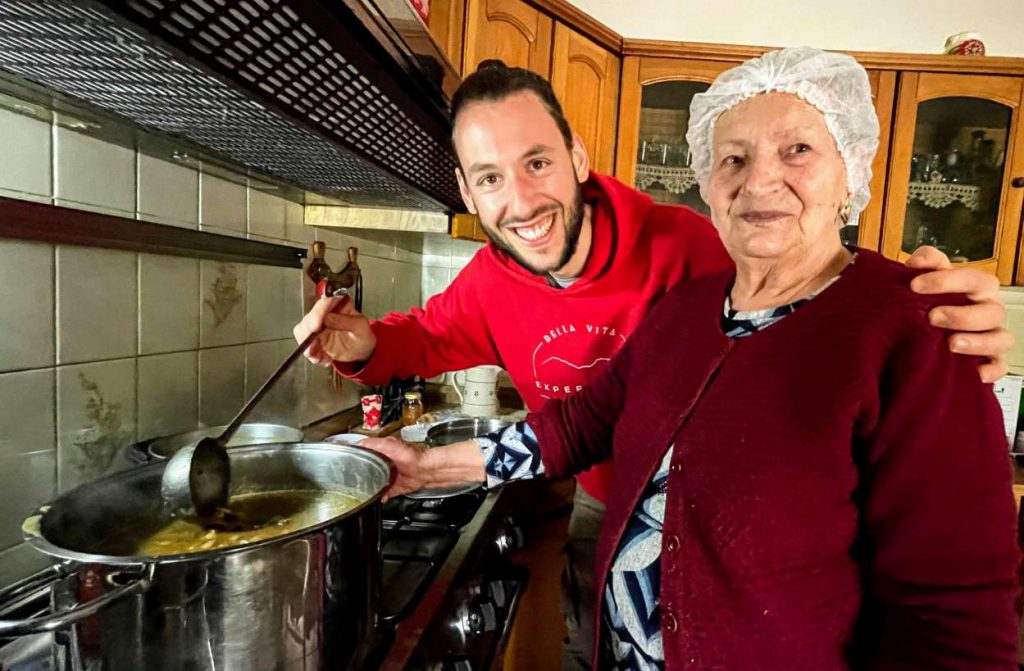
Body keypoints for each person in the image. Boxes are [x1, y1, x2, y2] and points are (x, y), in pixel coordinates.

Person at [294, 60, 1014, 669]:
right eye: (733, 157)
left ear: (851, 169)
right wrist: (422, 468)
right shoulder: (686, 310)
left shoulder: (918, 326)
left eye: (798, 150)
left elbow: (955, 610)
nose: (759, 181)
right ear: (707, 178)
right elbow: (576, 427)